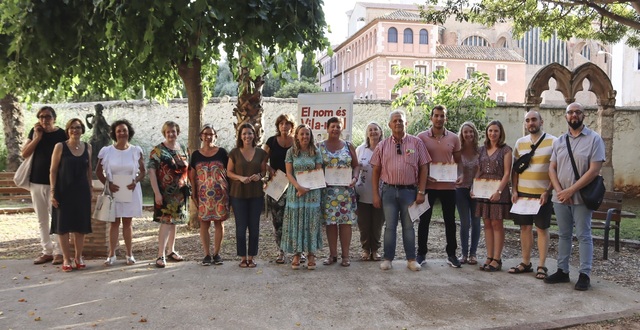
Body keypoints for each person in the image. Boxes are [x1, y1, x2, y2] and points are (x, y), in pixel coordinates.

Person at [546, 102, 605, 291]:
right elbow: (552, 168)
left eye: (578, 112)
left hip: (581, 198)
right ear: (566, 117)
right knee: (563, 235)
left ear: (584, 116)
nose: (574, 115)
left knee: (583, 235)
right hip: (561, 198)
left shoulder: (595, 139)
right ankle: (562, 271)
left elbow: (594, 170)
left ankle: (584, 274)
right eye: (570, 112)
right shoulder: (559, 141)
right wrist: (560, 191)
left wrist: (571, 191)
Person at [371, 110, 430, 271]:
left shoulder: (416, 143)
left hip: (409, 192)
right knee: (390, 226)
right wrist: (376, 194)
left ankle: (411, 259)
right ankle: (388, 258)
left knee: (408, 227)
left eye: (401, 121)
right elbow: (376, 171)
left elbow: (424, 167)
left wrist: (421, 191)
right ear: (389, 125)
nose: (398, 123)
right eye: (395, 121)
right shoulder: (382, 145)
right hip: (388, 192)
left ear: (406, 123)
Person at [509, 111, 555, 279]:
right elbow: (515, 170)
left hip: (541, 194)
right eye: (527, 120)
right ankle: (526, 262)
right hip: (522, 194)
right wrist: (514, 190)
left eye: (534, 119)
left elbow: (554, 170)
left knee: (542, 229)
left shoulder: (553, 141)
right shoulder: (520, 143)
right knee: (525, 228)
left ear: (541, 121)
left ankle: (542, 265)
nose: (531, 123)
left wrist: (548, 191)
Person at [416, 105, 462, 268]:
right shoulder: (421, 137)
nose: (439, 118)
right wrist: (422, 177)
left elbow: (458, 161)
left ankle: (452, 254)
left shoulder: (454, 138)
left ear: (445, 118)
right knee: (424, 221)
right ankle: (421, 254)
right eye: (436, 115)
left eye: (442, 116)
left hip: (448, 186)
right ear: (431, 118)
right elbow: (417, 162)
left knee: (450, 221)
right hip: (428, 185)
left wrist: (460, 175)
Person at [21, 106, 68, 265]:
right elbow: (24, 153)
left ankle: (59, 252)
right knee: (42, 219)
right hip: (36, 182)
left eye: (47, 117)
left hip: (56, 184)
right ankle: (46, 251)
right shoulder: (34, 133)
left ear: (54, 118)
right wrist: (37, 138)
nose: (44, 120)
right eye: (41, 117)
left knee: (57, 218)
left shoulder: (62, 134)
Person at [96, 119, 146, 266]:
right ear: (114, 133)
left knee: (128, 223)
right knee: (114, 223)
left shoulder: (136, 150)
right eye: (119, 131)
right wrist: (108, 183)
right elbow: (98, 170)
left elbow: (142, 172)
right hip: (114, 190)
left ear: (129, 132)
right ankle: (111, 255)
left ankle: (129, 254)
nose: (122, 133)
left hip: (129, 189)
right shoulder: (107, 151)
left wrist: (135, 181)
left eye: (124, 130)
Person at [49, 119, 93, 272]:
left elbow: (89, 170)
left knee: (80, 226)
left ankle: (78, 256)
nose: (75, 130)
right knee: (63, 226)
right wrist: (53, 192)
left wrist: (90, 189)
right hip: (63, 191)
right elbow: (53, 171)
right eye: (72, 128)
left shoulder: (88, 147)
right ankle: (66, 258)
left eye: (78, 127)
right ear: (68, 130)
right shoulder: (60, 146)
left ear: (82, 130)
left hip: (81, 191)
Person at [281, 124, 324, 270]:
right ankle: (297, 254)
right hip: (296, 192)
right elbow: (288, 173)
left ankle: (311, 253)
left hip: (312, 193)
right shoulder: (291, 152)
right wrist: (299, 187)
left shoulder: (316, 151)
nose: (305, 136)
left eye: (307, 134)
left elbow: (318, 174)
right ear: (297, 136)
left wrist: (306, 189)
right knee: (297, 221)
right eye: (302, 134)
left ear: (310, 136)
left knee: (311, 221)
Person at [318, 117, 359, 267]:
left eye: (338, 126)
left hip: (346, 191)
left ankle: (346, 256)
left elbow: (356, 165)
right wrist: (320, 179)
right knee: (330, 224)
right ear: (327, 128)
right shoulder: (319, 147)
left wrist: (355, 178)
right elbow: (316, 168)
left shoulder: (349, 146)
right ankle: (332, 254)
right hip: (327, 192)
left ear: (342, 129)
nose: (335, 129)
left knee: (345, 223)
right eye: (332, 126)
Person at [148, 121, 189, 268]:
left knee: (174, 222)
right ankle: (160, 255)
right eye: (168, 132)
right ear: (164, 133)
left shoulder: (183, 148)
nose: (171, 134)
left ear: (178, 132)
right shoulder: (157, 151)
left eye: (173, 131)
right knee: (166, 222)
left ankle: (171, 251)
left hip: (180, 193)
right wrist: (157, 193)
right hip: (165, 193)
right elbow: (151, 172)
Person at [227, 123, 268, 268]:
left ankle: (251, 257)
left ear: (254, 135)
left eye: (250, 133)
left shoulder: (261, 153)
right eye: (244, 133)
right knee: (240, 227)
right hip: (238, 195)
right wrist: (240, 178)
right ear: (240, 136)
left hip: (256, 194)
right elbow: (229, 172)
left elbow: (264, 172)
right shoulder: (234, 152)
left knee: (254, 227)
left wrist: (259, 175)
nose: (247, 136)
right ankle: (242, 257)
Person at [189, 124, 229, 266]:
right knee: (204, 224)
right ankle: (206, 254)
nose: (208, 137)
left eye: (211, 134)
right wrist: (193, 193)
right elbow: (192, 175)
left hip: (220, 195)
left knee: (219, 223)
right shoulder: (195, 155)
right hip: (203, 195)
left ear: (215, 136)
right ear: (201, 136)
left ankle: (217, 253)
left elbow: (228, 172)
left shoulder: (222, 153)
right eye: (205, 134)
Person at [474, 120, 512, 272]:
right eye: (490, 131)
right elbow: (478, 170)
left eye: (496, 131)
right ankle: (489, 257)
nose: (493, 133)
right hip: (483, 190)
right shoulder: (482, 150)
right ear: (486, 132)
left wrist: (499, 192)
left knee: (497, 224)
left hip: (498, 191)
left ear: (500, 133)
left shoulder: (506, 150)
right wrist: (474, 187)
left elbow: (507, 173)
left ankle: (497, 258)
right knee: (487, 224)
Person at [263, 114, 296, 264]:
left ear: (292, 125)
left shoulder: (296, 141)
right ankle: (281, 251)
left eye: (287, 123)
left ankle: (297, 251)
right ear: (278, 126)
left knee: (295, 218)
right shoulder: (271, 141)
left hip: (294, 184)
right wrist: (271, 171)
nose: (284, 126)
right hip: (276, 182)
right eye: (281, 123)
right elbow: (262, 161)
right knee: (278, 220)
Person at [355, 122, 385, 261]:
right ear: (367, 133)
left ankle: (376, 250)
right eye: (370, 130)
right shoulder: (360, 149)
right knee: (364, 223)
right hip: (363, 192)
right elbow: (354, 167)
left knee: (377, 223)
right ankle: (366, 249)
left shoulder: (386, 148)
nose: (373, 132)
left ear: (380, 132)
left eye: (375, 130)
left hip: (381, 192)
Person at [455, 122, 481, 265]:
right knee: (465, 222)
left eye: (471, 131)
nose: (468, 134)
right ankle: (464, 254)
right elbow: (454, 167)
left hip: (476, 190)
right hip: (460, 190)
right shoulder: (458, 150)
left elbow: (480, 169)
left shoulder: (480, 150)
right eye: (465, 132)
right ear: (462, 134)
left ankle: (473, 254)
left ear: (474, 133)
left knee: (476, 221)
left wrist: (475, 186)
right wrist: (459, 176)